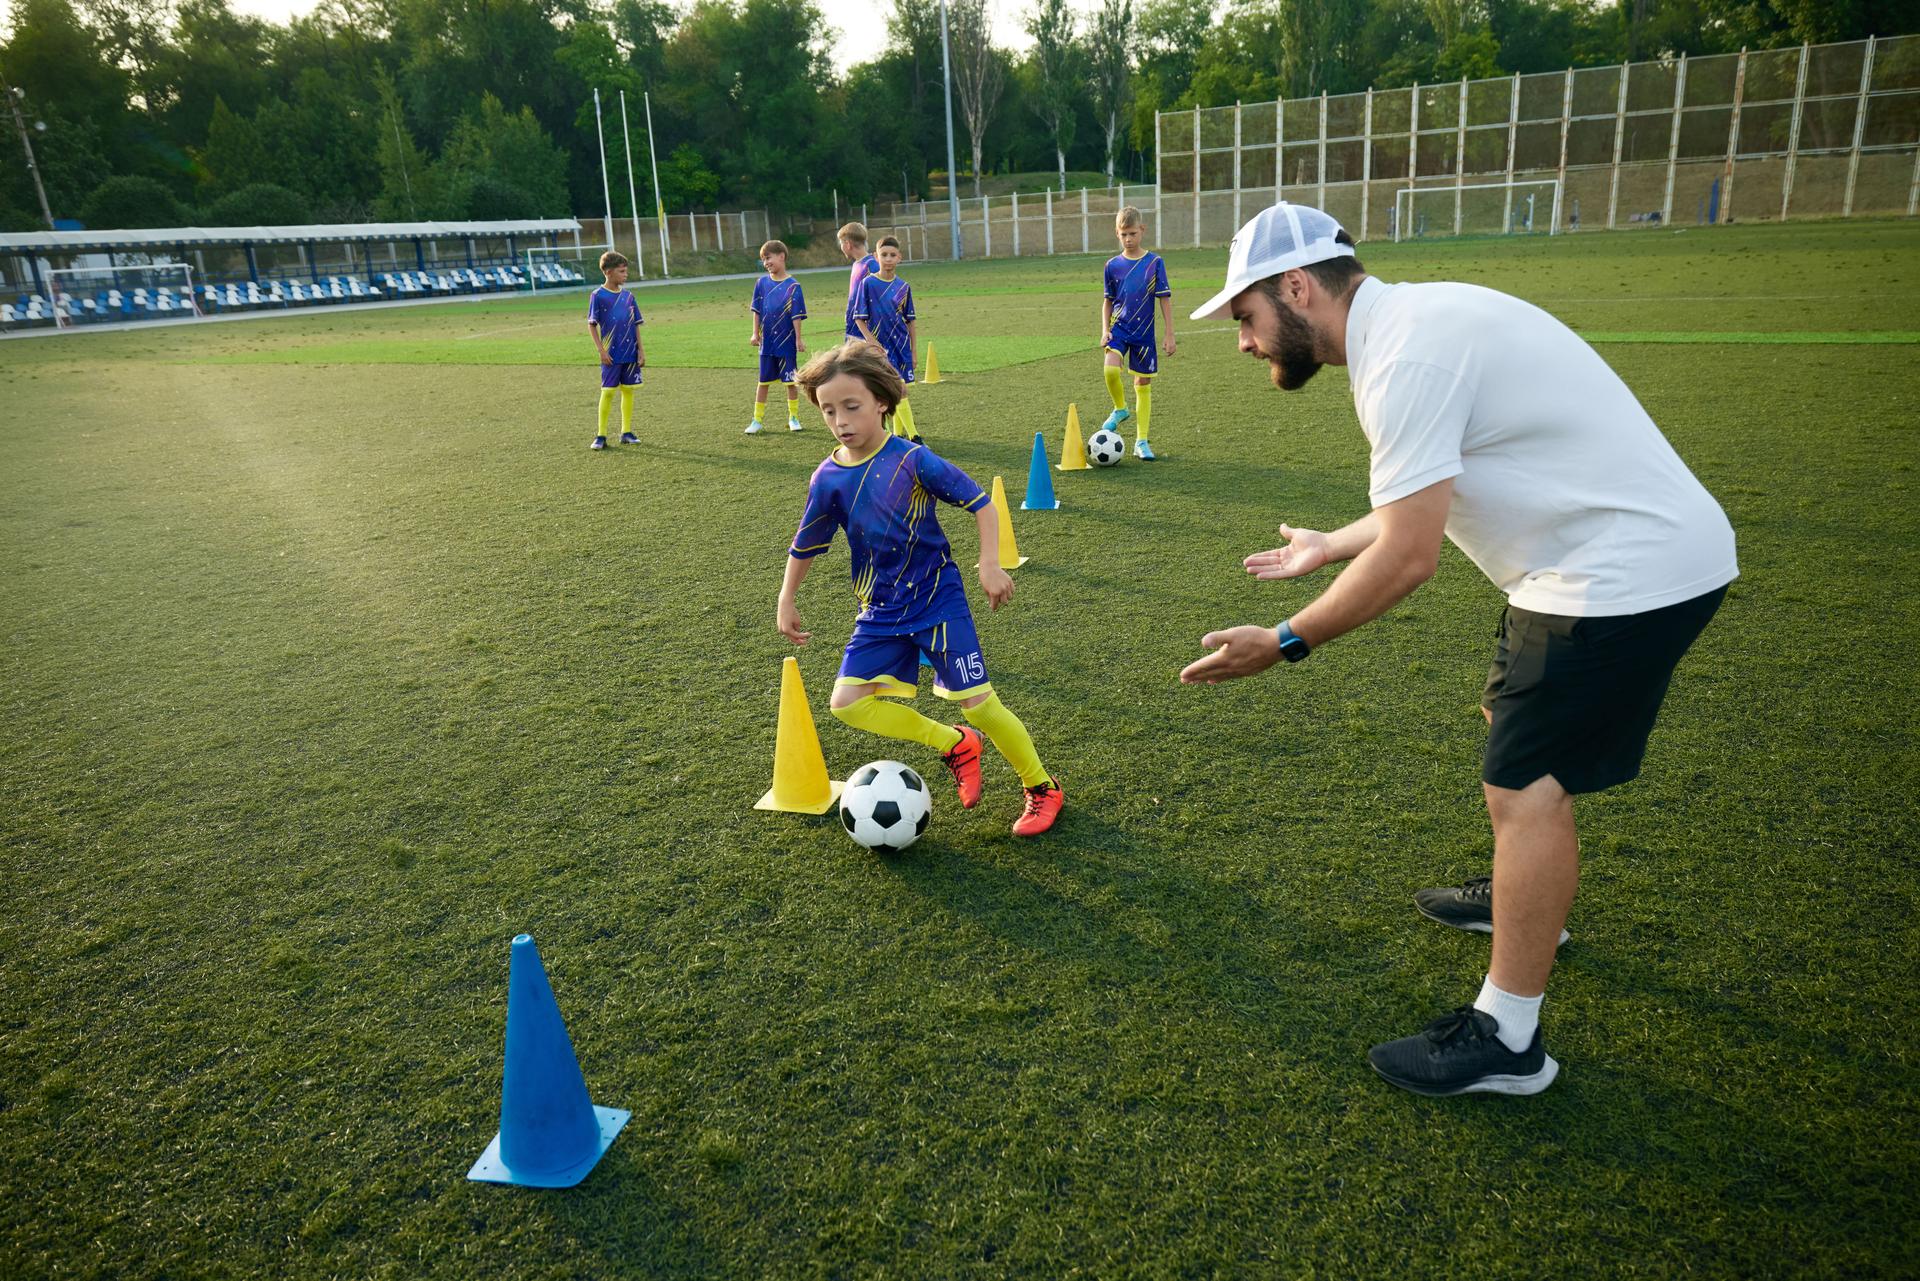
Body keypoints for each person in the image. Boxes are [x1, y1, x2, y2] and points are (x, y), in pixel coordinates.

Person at [1178, 202, 1737, 1097]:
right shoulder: (1410, 328)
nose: (1242, 340)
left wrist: (1284, 642)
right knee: (1505, 722)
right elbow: (1428, 492)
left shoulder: (1407, 355)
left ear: (1296, 288)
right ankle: (1526, 904)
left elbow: (1411, 555)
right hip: (1576, 566)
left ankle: (1508, 1038)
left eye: (1244, 316)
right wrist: (1331, 543)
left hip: (1622, 574)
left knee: (1524, 784)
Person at [777, 341, 1064, 838]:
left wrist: (989, 564)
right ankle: (954, 744)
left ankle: (1042, 788)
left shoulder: (912, 460)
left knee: (981, 703)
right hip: (879, 609)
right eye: (828, 410)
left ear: (882, 403)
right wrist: (787, 596)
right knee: (847, 703)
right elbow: (807, 543)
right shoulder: (827, 478)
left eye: (852, 406)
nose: (840, 420)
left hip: (938, 600)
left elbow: (982, 504)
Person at [1099, 206, 1175, 461]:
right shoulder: (1112, 266)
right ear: (1117, 234)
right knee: (1110, 369)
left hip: (1144, 333)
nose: (1128, 239)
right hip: (1119, 328)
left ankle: (1141, 441)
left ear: (1142, 230)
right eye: (1123, 234)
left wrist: (1169, 334)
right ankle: (1120, 409)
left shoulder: (1154, 263)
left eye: (1132, 233)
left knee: (1142, 384)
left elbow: (1164, 299)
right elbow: (1108, 301)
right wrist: (1104, 330)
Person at [851, 235, 923, 443]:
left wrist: (914, 350)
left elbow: (910, 321)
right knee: (898, 389)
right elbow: (859, 319)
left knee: (899, 389)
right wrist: (871, 341)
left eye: (893, 255)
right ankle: (915, 435)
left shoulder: (904, 287)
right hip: (880, 348)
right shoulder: (868, 284)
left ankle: (897, 435)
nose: (888, 258)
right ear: (876, 256)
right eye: (884, 255)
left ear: (899, 257)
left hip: (901, 346)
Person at [746, 240, 807, 435]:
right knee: (763, 382)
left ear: (781, 256)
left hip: (786, 342)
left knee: (790, 382)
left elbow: (796, 315)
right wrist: (755, 333)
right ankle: (757, 420)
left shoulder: (793, 286)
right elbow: (756, 310)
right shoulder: (761, 283)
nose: (766, 262)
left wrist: (798, 339)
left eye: (769, 257)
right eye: (763, 259)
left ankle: (793, 417)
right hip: (767, 343)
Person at [586, 250, 644, 451]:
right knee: (608, 391)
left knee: (628, 390)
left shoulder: (629, 296)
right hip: (611, 354)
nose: (626, 275)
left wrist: (641, 351)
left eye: (626, 271)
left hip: (630, 353)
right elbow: (591, 324)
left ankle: (626, 432)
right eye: (622, 271)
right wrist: (601, 350)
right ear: (609, 272)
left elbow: (636, 323)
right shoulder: (598, 296)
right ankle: (601, 435)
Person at [837, 221, 880, 340]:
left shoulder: (872, 266)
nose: (841, 247)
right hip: (853, 329)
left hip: (865, 333)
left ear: (848, 244)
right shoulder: (857, 264)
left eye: (841, 243)